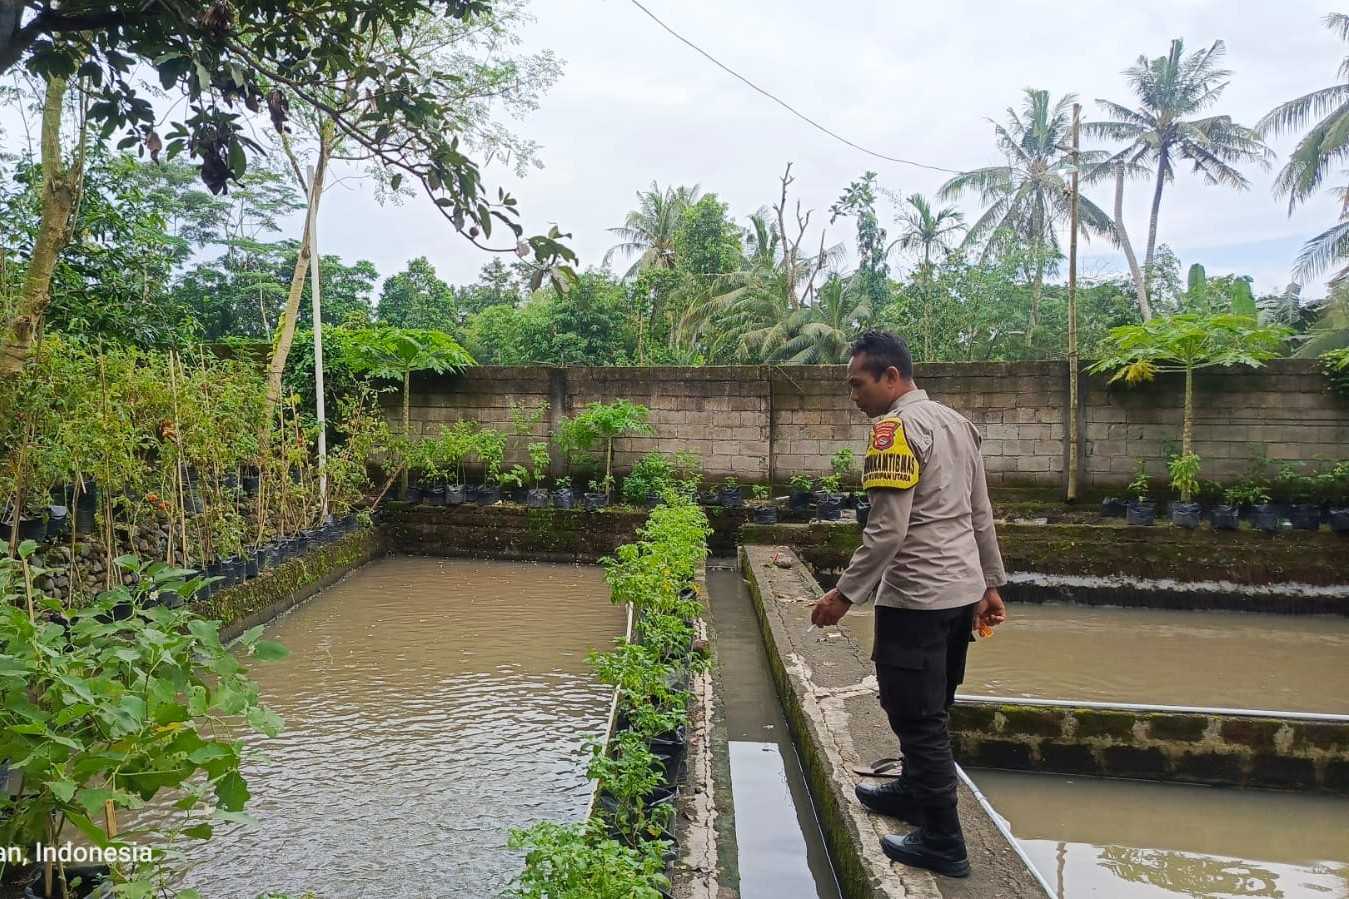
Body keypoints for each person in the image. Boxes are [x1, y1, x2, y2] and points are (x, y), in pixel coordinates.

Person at [810, 329, 1007, 879]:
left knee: (916, 718)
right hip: (958, 596)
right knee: (931, 706)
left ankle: (943, 840)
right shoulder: (956, 424)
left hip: (918, 597)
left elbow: (888, 531)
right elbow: (980, 513)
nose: (854, 396)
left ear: (891, 376)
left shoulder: (892, 431)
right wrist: (991, 584)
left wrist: (843, 594)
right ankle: (913, 793)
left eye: (858, 384)